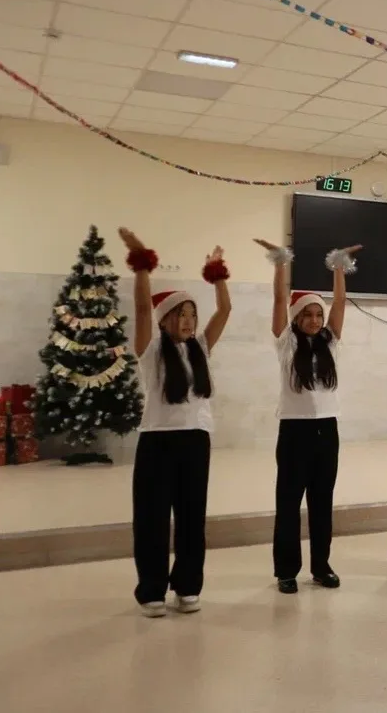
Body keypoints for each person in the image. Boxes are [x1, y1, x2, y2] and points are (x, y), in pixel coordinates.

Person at [120, 229, 231, 617]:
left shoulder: (201, 348)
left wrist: (217, 273)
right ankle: (151, 590)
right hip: (158, 441)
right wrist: (141, 264)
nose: (188, 320)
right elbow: (140, 309)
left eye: (192, 314)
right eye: (180, 314)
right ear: (165, 320)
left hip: (196, 441)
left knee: (191, 519)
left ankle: (187, 586)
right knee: (152, 519)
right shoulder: (151, 351)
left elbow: (225, 311)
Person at [255, 238, 360, 595]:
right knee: (288, 503)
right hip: (294, 433)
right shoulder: (286, 343)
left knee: (321, 502)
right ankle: (286, 570)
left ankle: (321, 566)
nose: (315, 320)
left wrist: (339, 267)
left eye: (318, 314)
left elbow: (340, 302)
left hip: (326, 431)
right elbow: (277, 300)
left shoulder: (330, 342)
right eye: (307, 315)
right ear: (297, 318)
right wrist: (280, 263)